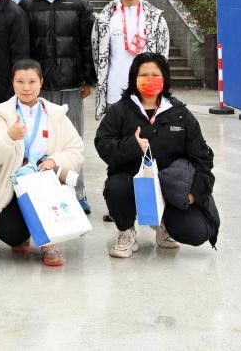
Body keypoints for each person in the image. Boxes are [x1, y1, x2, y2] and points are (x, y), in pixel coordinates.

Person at [94, 52, 220, 257]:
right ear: (134, 78)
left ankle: (164, 225)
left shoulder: (180, 114)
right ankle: (126, 231)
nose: (149, 80)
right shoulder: (120, 110)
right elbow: (103, 144)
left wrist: (193, 194)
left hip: (169, 186)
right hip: (130, 182)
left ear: (165, 78)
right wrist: (132, 146)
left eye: (155, 75)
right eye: (144, 75)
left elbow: (202, 159)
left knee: (195, 231)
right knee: (116, 186)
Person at [0, 59, 87, 268]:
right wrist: (8, 136)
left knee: (48, 201)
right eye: (20, 81)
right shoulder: (0, 115)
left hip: (47, 181)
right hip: (14, 185)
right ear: (12, 83)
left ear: (41, 82)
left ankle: (50, 243)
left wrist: (54, 160)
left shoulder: (55, 114)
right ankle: (24, 233)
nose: (26, 87)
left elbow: (76, 149)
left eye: (32, 81)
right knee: (12, 236)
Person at [19, 0, 96, 206]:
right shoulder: (27, 4)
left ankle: (77, 193)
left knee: (72, 139)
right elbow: (25, 46)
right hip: (39, 85)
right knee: (40, 140)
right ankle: (43, 192)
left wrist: (88, 79)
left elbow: (87, 44)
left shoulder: (78, 4)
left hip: (71, 84)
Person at [92, 0, 171, 120]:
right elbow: (96, 55)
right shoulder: (104, 19)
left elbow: (163, 59)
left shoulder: (156, 19)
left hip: (148, 93)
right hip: (115, 93)